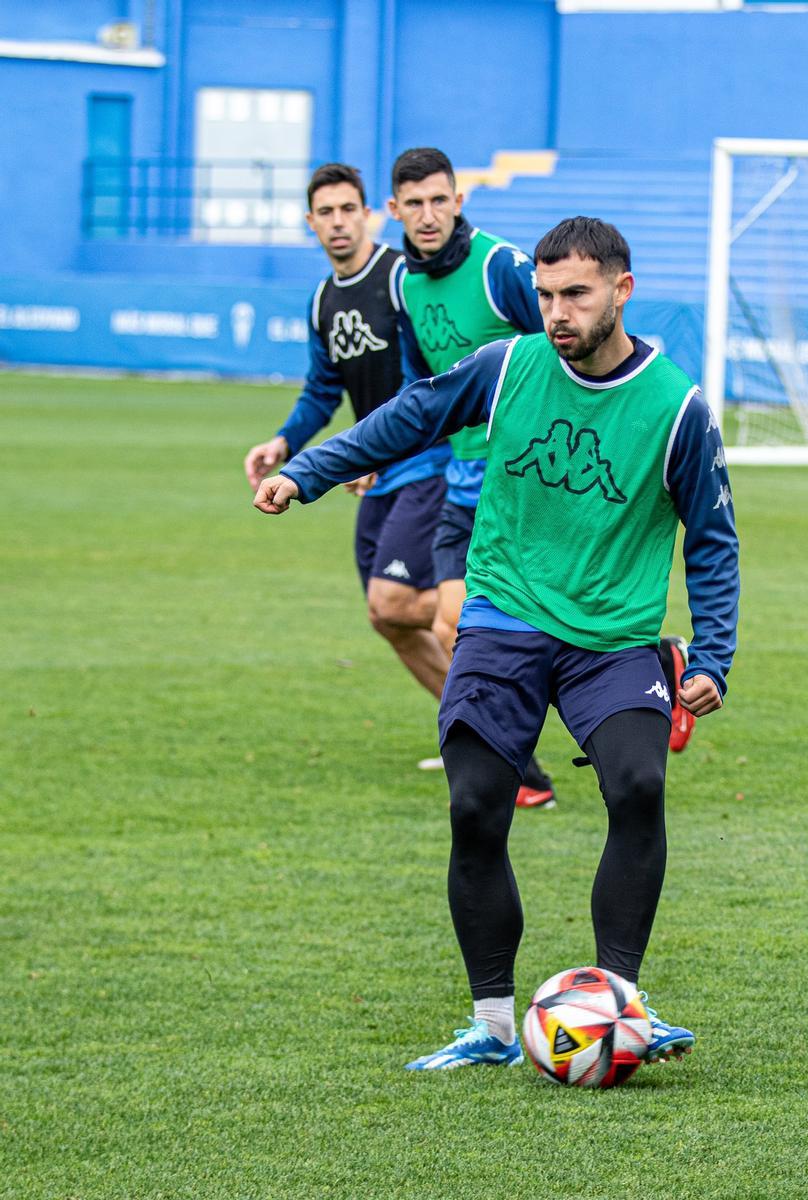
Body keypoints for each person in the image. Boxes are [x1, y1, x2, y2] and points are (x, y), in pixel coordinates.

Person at [253, 217, 740, 1070]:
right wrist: (309, 471)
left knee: (637, 786)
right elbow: (410, 418)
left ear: (621, 292)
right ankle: (491, 1026)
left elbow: (711, 537)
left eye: (576, 295)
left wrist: (713, 656)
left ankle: (619, 1007)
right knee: (475, 807)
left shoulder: (678, 407)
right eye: (547, 294)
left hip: (614, 639)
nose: (556, 312)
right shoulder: (508, 366)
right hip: (503, 622)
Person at [387, 148, 695, 806]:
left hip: (527, 477)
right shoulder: (405, 283)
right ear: (395, 211)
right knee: (425, 615)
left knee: (454, 620)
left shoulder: (499, 268)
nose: (428, 214)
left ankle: (519, 757)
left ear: (458, 200)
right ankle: (506, 755)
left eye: (439, 199)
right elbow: (424, 387)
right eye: (414, 203)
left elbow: (561, 359)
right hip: (463, 479)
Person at [243, 162, 452, 709]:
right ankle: (503, 756)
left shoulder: (401, 278)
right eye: (326, 213)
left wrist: (378, 448)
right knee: (390, 620)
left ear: (368, 215)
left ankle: (510, 628)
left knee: (396, 602)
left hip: (427, 465)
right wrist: (284, 443)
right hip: (375, 471)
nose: (339, 222)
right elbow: (322, 389)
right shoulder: (322, 302)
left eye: (348, 210)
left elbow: (425, 378)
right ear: (310, 222)